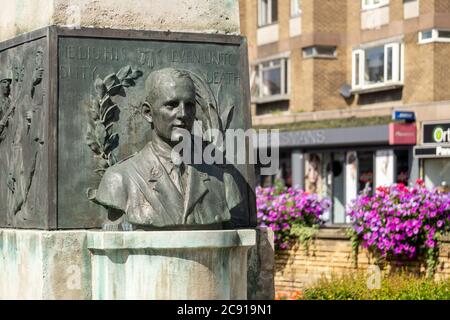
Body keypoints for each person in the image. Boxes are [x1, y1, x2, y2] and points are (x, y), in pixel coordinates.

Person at [95, 68, 242, 229]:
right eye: (171, 105)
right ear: (148, 113)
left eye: (190, 105)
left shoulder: (223, 183)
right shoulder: (119, 179)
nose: (183, 114)